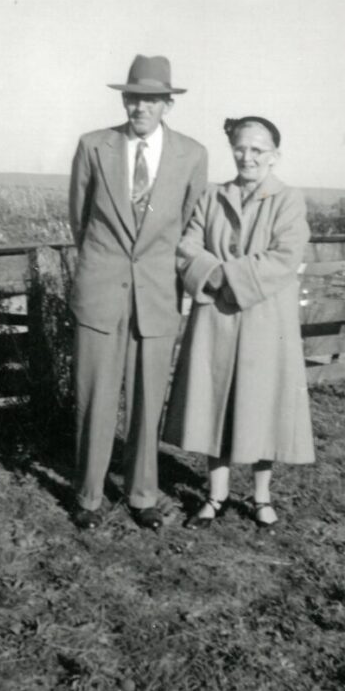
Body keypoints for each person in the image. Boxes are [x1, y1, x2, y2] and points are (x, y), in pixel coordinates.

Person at [68, 54, 208, 531]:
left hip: (156, 295)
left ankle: (142, 494)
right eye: (132, 97)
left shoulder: (193, 154)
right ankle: (88, 496)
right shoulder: (93, 146)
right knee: (94, 396)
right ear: (124, 100)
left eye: (150, 99)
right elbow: (80, 221)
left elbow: (190, 225)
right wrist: (102, 267)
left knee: (149, 400)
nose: (140, 107)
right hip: (101, 292)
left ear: (168, 104)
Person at [162, 115, 314, 531]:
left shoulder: (288, 199)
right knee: (215, 401)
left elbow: (285, 255)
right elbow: (188, 245)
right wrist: (211, 275)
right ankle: (216, 495)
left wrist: (227, 278)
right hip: (217, 317)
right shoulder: (212, 197)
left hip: (266, 319)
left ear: (274, 156)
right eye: (240, 148)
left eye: (257, 149)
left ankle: (262, 497)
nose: (247, 156)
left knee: (263, 403)